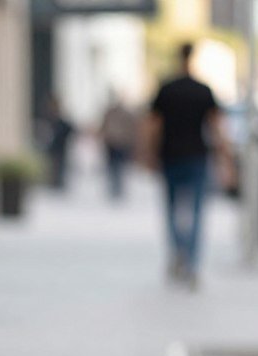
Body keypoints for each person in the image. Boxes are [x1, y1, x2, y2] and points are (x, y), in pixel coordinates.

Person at [145, 41, 233, 290]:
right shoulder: (203, 90)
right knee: (196, 212)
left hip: (170, 155)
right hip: (196, 156)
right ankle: (192, 263)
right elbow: (217, 128)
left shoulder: (167, 89)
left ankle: (178, 252)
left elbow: (153, 125)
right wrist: (226, 161)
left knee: (172, 210)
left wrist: (148, 154)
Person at [100, 94, 138, 200]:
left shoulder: (125, 114)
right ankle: (114, 187)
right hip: (112, 142)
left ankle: (118, 187)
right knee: (113, 165)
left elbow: (131, 128)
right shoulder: (110, 113)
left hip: (121, 142)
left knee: (119, 165)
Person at [43, 94, 75, 190]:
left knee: (60, 168)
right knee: (52, 168)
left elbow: (69, 129)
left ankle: (58, 185)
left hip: (60, 148)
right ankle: (54, 184)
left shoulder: (60, 121)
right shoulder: (48, 119)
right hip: (51, 149)